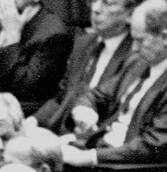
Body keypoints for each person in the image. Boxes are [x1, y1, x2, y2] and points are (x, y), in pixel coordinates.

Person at [59, 0, 167, 172]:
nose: (135, 47)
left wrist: (88, 157)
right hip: (102, 155)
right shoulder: (137, 62)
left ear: (165, 37)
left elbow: (151, 148)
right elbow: (97, 95)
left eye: (140, 41)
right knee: (38, 167)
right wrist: (85, 110)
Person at [33, 0, 135, 134]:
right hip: (63, 131)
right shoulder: (83, 43)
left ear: (131, 12)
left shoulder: (135, 55)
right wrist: (33, 121)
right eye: (93, 1)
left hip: (96, 138)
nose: (96, 9)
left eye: (108, 3)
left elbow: (116, 113)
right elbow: (62, 97)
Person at [0, 0, 75, 116]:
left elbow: (24, 90)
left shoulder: (53, 33)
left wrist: (12, 37)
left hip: (22, 113)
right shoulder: (6, 20)